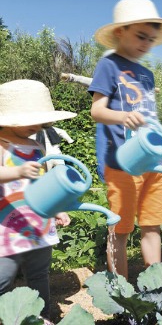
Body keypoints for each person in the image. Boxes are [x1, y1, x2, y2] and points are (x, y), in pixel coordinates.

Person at [88, 0, 162, 279]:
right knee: (121, 228)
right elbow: (97, 110)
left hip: (152, 161)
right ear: (120, 32)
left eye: (151, 39)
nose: (146, 44)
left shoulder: (147, 74)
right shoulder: (109, 66)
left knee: (152, 225)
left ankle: (155, 288)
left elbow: (147, 115)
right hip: (122, 163)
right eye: (141, 36)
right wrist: (121, 117)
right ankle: (121, 292)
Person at [0, 79, 75, 321]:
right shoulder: (2, 145)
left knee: (39, 274)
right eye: (29, 120)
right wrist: (17, 172)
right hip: (7, 225)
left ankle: (42, 316)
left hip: (38, 222)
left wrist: (56, 209)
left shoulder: (36, 146)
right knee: (4, 276)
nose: (36, 125)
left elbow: (42, 184)